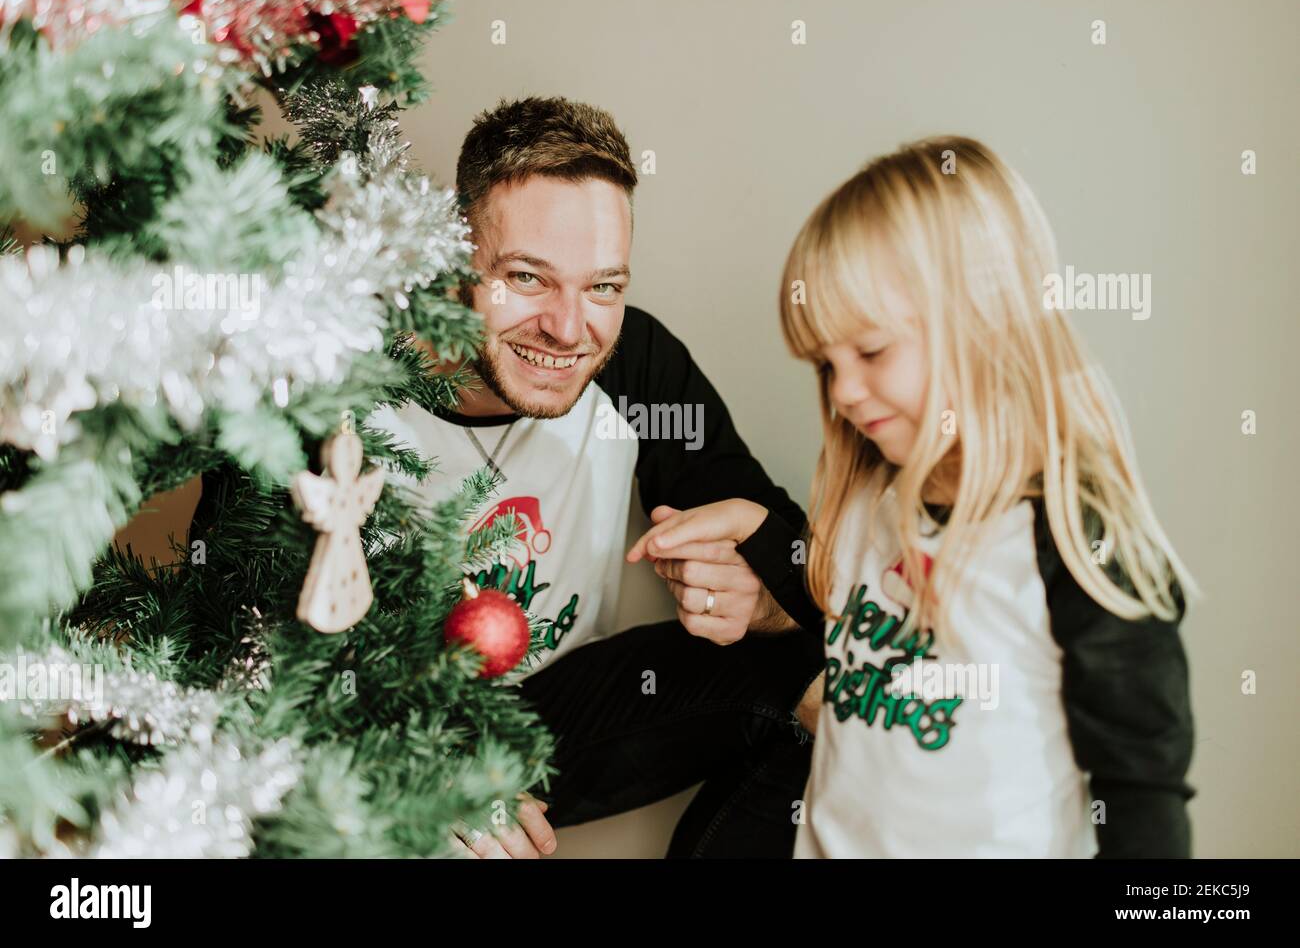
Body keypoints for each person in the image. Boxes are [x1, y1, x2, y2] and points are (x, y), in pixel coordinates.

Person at [629, 136, 1198, 857]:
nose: (843, 392)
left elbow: (1143, 786)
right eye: (825, 365)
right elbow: (851, 616)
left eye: (869, 353)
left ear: (984, 321)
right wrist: (756, 527)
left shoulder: (1074, 541)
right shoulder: (875, 487)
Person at [368, 96, 824, 858]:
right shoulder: (337, 376)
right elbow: (228, 642)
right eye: (528, 277)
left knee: (818, 676)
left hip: (552, 717)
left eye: (604, 286)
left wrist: (763, 602)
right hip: (364, 733)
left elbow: (796, 559)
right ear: (455, 259)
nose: (570, 328)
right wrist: (409, 765)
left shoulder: (638, 365)